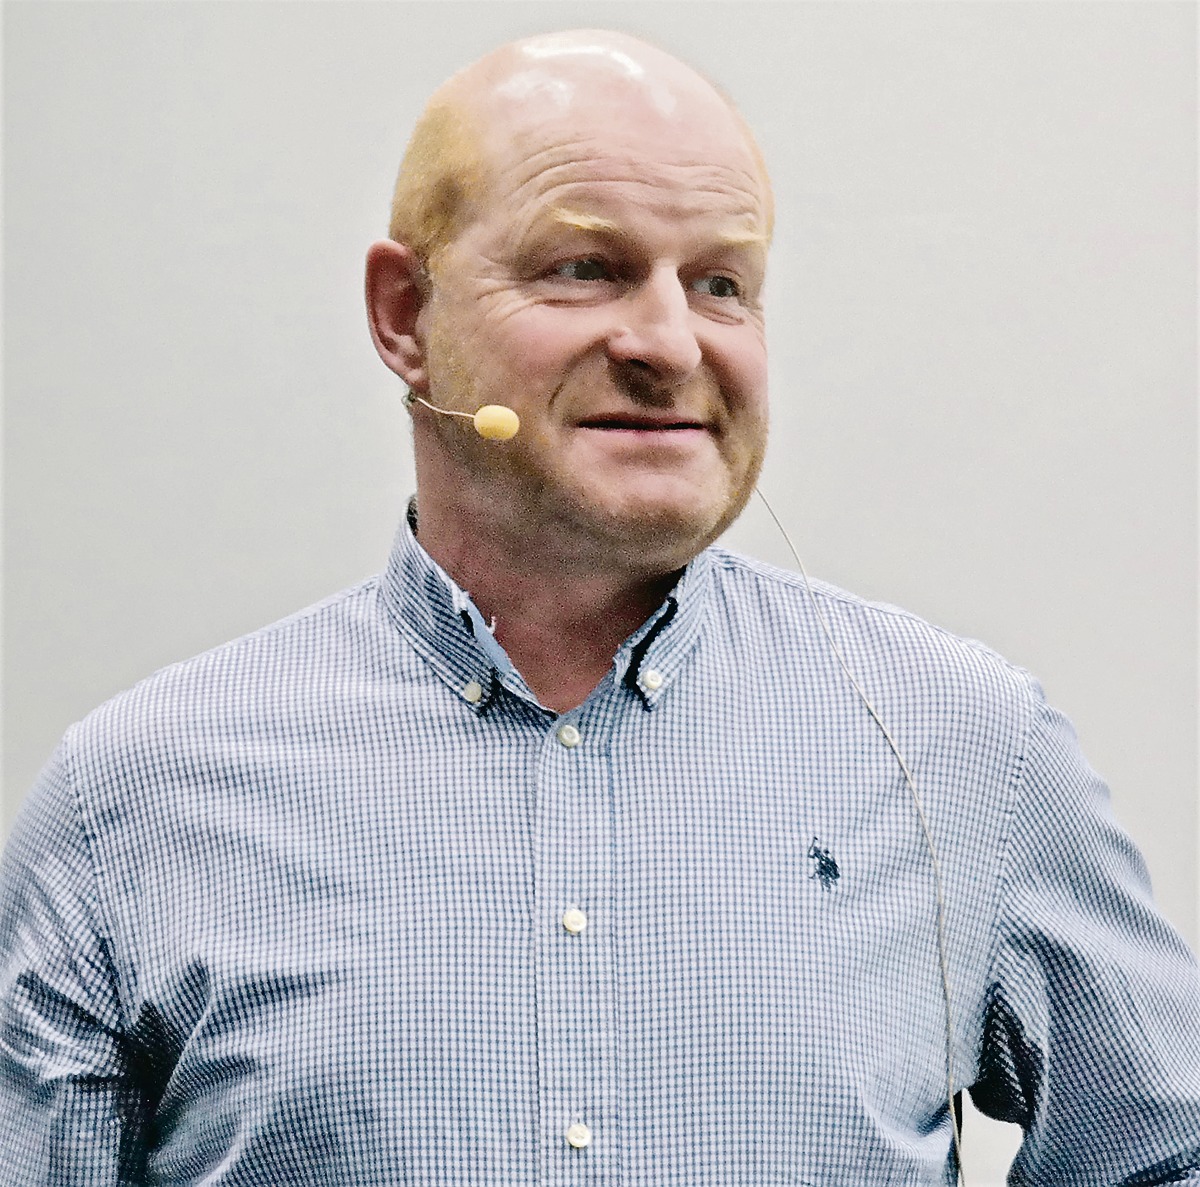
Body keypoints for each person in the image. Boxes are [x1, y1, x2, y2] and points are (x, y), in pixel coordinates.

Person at [2, 27, 1198, 1186]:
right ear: (404, 316)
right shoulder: (132, 806)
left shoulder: (965, 746)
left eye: (721, 284)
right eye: (586, 268)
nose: (670, 344)